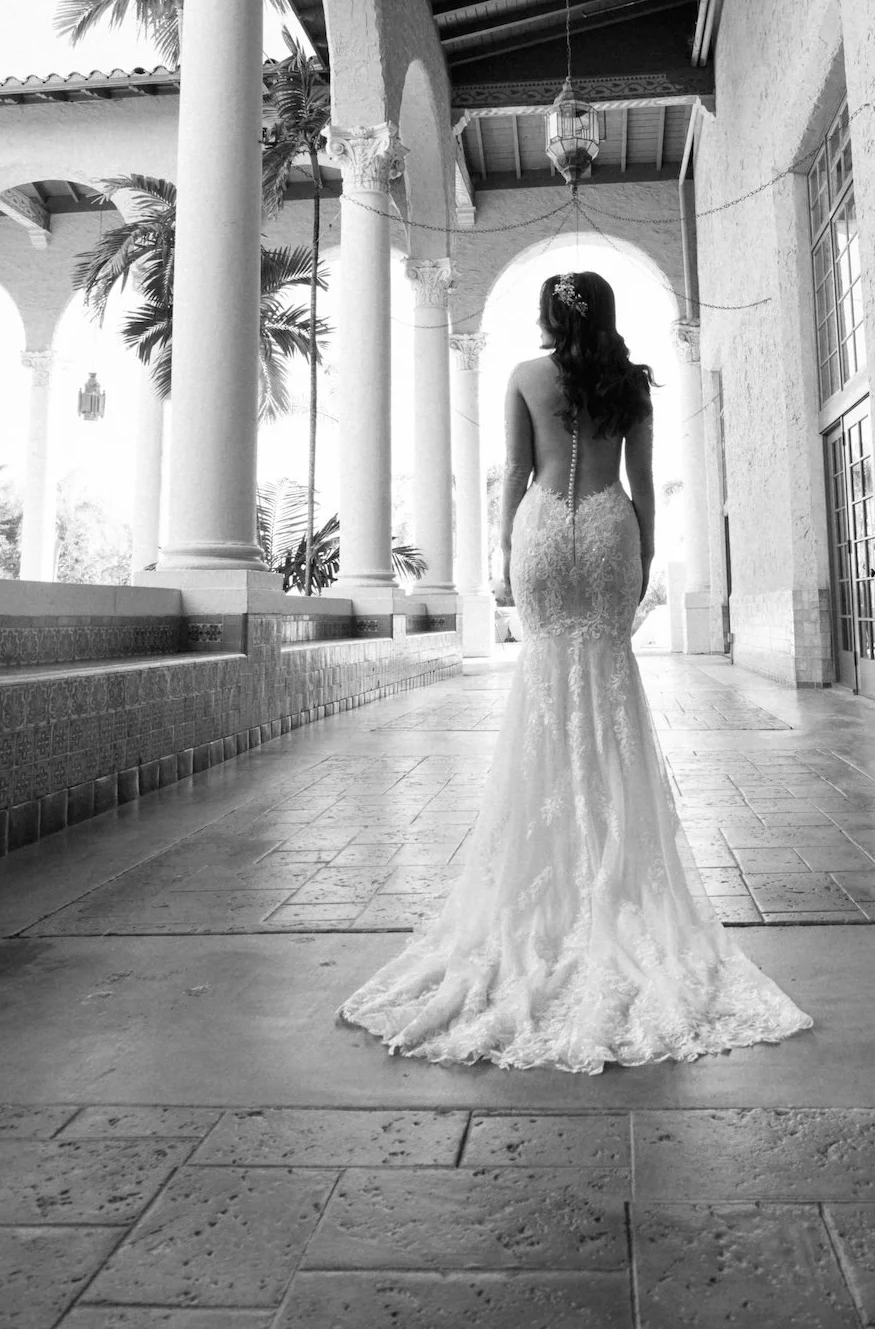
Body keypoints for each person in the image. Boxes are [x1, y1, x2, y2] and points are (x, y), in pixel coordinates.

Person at [339, 270, 811, 1072]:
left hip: (543, 537)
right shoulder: (628, 382)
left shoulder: (523, 377)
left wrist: (503, 551)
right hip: (606, 525)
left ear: (548, 315)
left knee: (547, 684)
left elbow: (516, 475)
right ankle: (614, 866)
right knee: (609, 682)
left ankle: (550, 870)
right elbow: (642, 483)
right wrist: (647, 550)